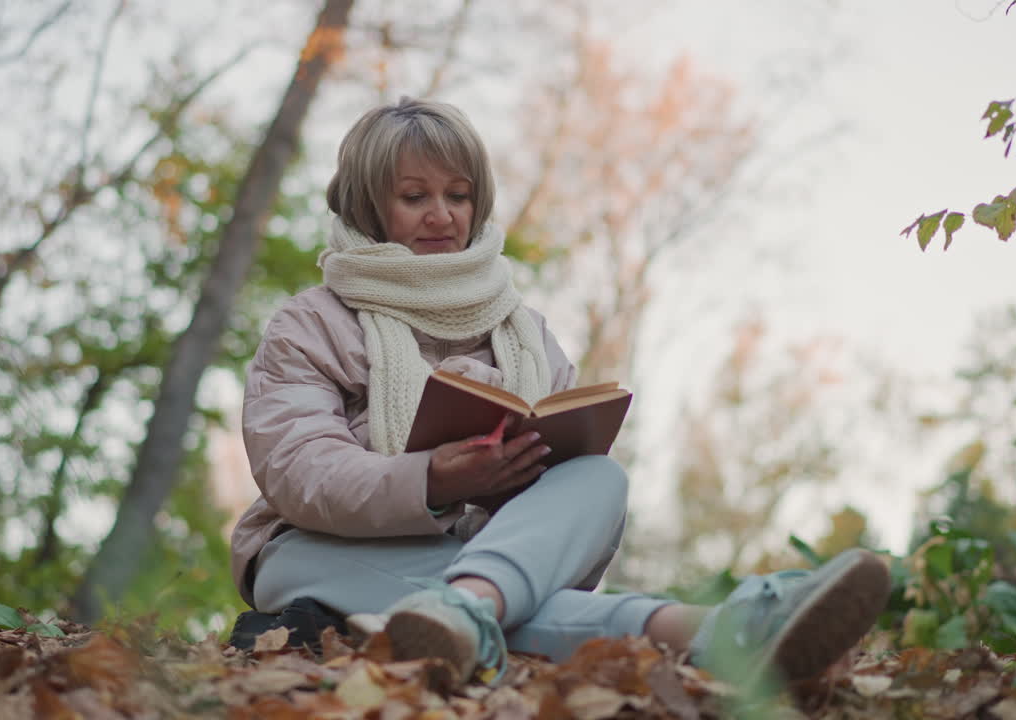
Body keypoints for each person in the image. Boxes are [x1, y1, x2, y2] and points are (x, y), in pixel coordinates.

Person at [229, 97, 890, 687]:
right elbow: (300, 469)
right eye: (415, 196)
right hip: (320, 548)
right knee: (518, 603)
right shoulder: (312, 322)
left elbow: (564, 475)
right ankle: (735, 630)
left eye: (458, 196)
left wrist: (511, 476)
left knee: (599, 477)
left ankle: (467, 607)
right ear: (371, 206)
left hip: (478, 551)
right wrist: (431, 477)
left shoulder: (524, 330)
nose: (442, 216)